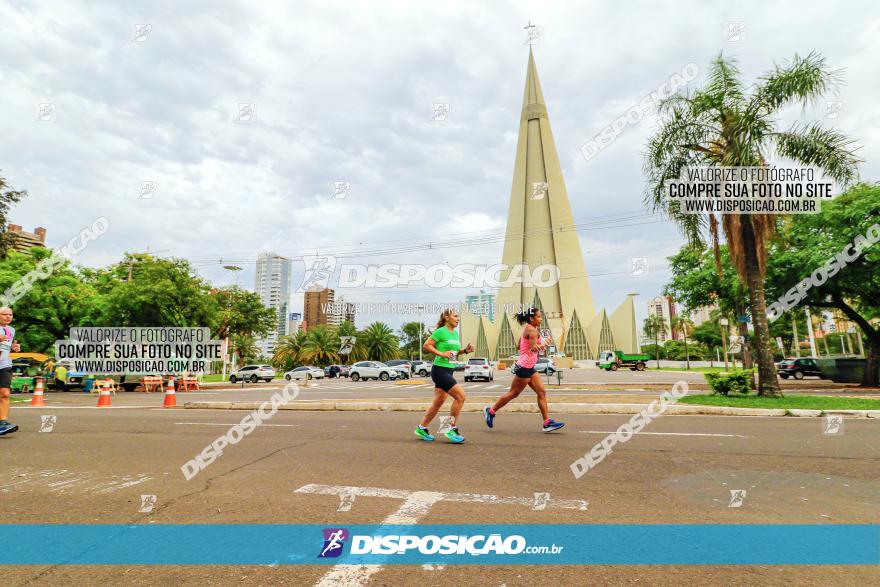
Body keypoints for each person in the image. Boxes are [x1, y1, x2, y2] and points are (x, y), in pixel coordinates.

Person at [483, 307, 564, 432]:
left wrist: (533, 346)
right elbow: (533, 349)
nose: (541, 319)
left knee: (541, 392)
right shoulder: (532, 331)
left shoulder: (529, 329)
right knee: (513, 393)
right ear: (531, 318)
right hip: (524, 367)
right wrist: (544, 344)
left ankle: (547, 422)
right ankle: (491, 411)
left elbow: (519, 346)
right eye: (538, 316)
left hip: (529, 366)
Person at [414, 308, 473, 443]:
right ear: (447, 318)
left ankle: (421, 428)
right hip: (439, 370)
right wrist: (441, 354)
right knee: (460, 397)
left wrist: (464, 351)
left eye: (458, 316)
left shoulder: (455, 333)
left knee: (438, 402)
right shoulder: (440, 331)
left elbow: (453, 352)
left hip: (449, 370)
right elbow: (427, 345)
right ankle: (450, 429)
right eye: (455, 316)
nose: (458, 318)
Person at [0, 306, 22, 436]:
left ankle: (2, 423)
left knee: (5, 393)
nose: (8, 317)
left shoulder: (11, 330)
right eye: (4, 314)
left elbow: (6, 346)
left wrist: (14, 347)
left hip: (4, 364)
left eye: (10, 314)